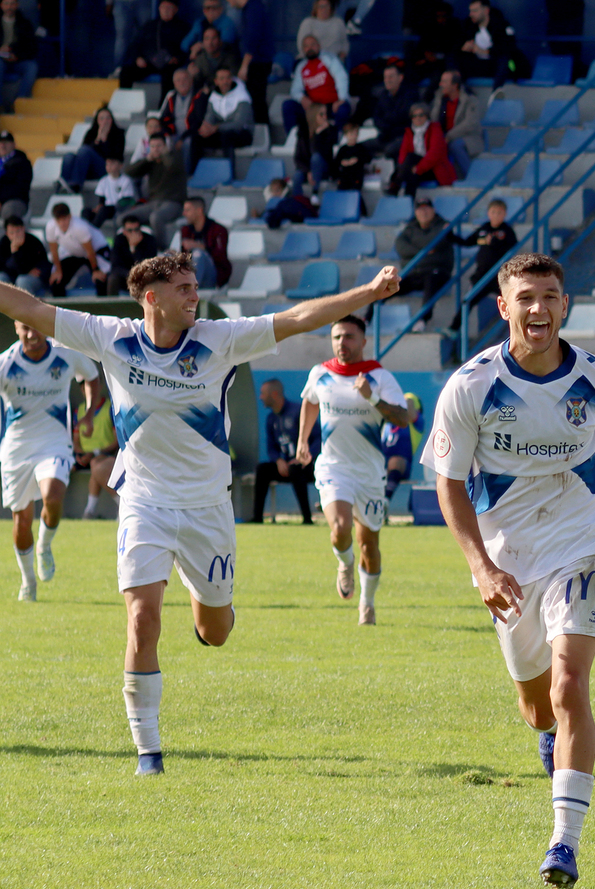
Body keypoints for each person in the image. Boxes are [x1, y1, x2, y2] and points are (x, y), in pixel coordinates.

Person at [0, 254, 400, 774]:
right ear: (152, 297)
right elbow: (29, 306)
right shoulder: (108, 336)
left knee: (215, 631)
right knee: (142, 620)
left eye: (194, 287)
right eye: (183, 289)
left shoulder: (221, 339)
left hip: (208, 507)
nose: (193, 296)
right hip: (143, 501)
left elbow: (301, 318)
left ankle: (207, 602)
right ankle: (149, 752)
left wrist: (367, 291)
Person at [423, 253, 595, 889]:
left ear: (566, 305)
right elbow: (448, 483)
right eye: (526, 299)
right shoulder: (471, 386)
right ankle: (546, 733)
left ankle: (564, 842)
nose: (539, 310)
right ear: (503, 307)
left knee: (570, 685)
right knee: (537, 704)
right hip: (507, 553)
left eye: (551, 298)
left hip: (583, 534)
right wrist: (480, 566)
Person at [294, 315, 416, 624]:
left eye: (348, 337)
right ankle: (344, 564)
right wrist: (303, 440)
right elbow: (310, 402)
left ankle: (367, 602)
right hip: (334, 466)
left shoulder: (379, 377)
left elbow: (402, 418)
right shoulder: (320, 373)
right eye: (336, 337)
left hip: (369, 472)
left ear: (363, 342)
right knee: (340, 528)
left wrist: (372, 398)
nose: (341, 343)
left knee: (369, 545)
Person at [0, 321, 99, 600]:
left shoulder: (65, 355)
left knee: (53, 497)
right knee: (21, 520)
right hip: (16, 448)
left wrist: (89, 414)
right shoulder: (6, 363)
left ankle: (44, 545)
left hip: (54, 442)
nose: (31, 334)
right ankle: (28, 582)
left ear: (44, 327)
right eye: (24, 329)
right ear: (16, 330)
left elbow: (91, 377)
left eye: (36, 328)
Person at [254, 377, 318, 523]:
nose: (260, 397)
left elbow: (318, 439)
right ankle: (257, 518)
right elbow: (271, 446)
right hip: (286, 467)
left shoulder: (298, 412)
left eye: (263, 393)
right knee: (262, 470)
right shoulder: (271, 418)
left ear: (274, 394)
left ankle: (307, 519)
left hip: (307, 467)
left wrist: (306, 457)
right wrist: (278, 460)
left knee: (296, 469)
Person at [394, 196, 452, 324]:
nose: (424, 212)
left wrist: (415, 248)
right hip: (415, 273)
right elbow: (400, 245)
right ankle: (367, 319)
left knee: (431, 279)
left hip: (438, 272)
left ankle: (422, 320)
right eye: (420, 210)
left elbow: (436, 242)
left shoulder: (444, 225)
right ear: (415, 213)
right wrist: (422, 252)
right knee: (387, 286)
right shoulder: (411, 227)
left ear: (433, 210)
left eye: (427, 209)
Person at [452, 197, 516, 311]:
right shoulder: (484, 228)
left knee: (511, 303)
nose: (496, 215)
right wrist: (450, 236)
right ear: (488, 213)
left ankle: (519, 326)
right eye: (493, 212)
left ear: (505, 214)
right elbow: (468, 242)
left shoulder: (507, 231)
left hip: (499, 274)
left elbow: (512, 247)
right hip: (481, 274)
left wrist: (495, 243)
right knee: (468, 301)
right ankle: (454, 327)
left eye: (499, 213)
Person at [124, 134, 189, 240]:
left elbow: (171, 166)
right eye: (153, 146)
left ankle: (160, 249)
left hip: (174, 203)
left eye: (159, 146)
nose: (156, 149)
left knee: (155, 218)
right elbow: (129, 172)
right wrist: (146, 160)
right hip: (153, 203)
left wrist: (164, 154)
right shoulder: (151, 161)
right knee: (124, 218)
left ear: (165, 146)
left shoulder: (175, 156)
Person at [283, 34, 350, 136]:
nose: (310, 48)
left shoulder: (329, 59)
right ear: (303, 50)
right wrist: (302, 98)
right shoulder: (301, 67)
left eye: (313, 45)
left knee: (343, 109)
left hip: (331, 105)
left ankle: (338, 138)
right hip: (313, 108)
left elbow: (342, 78)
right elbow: (295, 90)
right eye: (306, 46)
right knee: (288, 106)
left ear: (318, 46)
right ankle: (293, 139)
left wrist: (341, 99)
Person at [190, 66, 254, 173]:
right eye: (221, 78)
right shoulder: (214, 96)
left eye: (228, 78)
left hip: (242, 134)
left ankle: (228, 173)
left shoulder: (242, 97)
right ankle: (194, 173)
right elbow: (209, 117)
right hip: (220, 131)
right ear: (216, 81)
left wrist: (215, 128)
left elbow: (238, 124)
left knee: (227, 137)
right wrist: (206, 128)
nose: (225, 81)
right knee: (197, 138)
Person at [75, 376, 121, 519]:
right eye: (83, 387)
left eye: (89, 386)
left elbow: (116, 441)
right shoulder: (79, 411)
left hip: (106, 456)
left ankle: (90, 512)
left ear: (98, 387)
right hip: (85, 458)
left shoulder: (110, 409)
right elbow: (76, 442)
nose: (86, 390)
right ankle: (91, 511)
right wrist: (81, 454)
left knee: (96, 465)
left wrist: (95, 453)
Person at [120, 0, 191, 87]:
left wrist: (177, 58)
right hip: (149, 63)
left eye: (169, 8)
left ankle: (165, 101)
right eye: (163, 7)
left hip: (170, 64)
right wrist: (138, 58)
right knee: (126, 72)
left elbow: (187, 48)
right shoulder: (150, 25)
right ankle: (125, 100)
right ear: (159, 9)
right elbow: (135, 44)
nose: (165, 10)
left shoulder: (183, 27)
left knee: (169, 75)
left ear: (175, 10)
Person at [45, 202, 108, 297]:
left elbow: (90, 251)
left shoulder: (80, 227)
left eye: (65, 219)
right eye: (59, 220)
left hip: (96, 251)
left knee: (101, 280)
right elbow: (54, 251)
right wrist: (58, 270)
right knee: (56, 282)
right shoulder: (50, 227)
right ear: (55, 220)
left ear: (70, 216)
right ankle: (62, 311)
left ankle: (103, 310)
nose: (62, 223)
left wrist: (95, 270)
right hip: (73, 252)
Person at [431, 69, 484, 178]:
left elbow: (470, 124)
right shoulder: (441, 99)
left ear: (455, 85)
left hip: (467, 137)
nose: (441, 85)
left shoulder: (469, 100)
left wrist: (449, 136)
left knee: (455, 145)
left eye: (444, 82)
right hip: (445, 137)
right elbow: (434, 120)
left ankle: (471, 177)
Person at [391, 103, 455, 194]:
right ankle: (407, 203)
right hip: (415, 168)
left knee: (411, 161)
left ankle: (395, 185)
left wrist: (418, 168)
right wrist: (408, 168)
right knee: (412, 172)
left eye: (421, 115)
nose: (418, 118)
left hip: (434, 169)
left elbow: (434, 155)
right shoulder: (409, 132)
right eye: (414, 116)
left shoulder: (435, 129)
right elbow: (403, 154)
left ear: (426, 116)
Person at [63, 107, 128, 192]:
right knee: (69, 156)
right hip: (87, 168)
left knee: (85, 150)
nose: (105, 121)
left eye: (108, 118)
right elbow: (82, 154)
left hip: (106, 168)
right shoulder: (91, 133)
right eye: (102, 118)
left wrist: (104, 141)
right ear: (97, 121)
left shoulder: (118, 134)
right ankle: (64, 185)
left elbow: (116, 156)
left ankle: (76, 185)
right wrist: (97, 140)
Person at [458, 0, 524, 83]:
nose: (471, 14)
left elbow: (508, 48)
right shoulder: (467, 26)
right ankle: (463, 90)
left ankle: (497, 91)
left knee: (505, 60)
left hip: (496, 65)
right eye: (470, 11)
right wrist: (464, 47)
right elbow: (456, 44)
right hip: (477, 65)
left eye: (475, 11)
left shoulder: (501, 26)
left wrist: (484, 51)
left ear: (486, 11)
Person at [228, 0, 274, 114]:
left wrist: (244, 65)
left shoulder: (254, 8)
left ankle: (261, 130)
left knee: (257, 102)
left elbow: (253, 37)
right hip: (256, 62)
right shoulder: (250, 9)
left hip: (257, 63)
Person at [178, 196, 229, 289]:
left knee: (199, 255)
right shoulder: (186, 230)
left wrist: (200, 246)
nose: (184, 213)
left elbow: (221, 258)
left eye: (188, 210)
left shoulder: (218, 230)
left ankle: (189, 291)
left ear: (199, 210)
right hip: (189, 273)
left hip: (212, 277)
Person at [379, 391, 420, 503]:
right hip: (380, 461)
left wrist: (406, 399)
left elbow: (411, 414)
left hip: (401, 465)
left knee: (395, 461)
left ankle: (385, 500)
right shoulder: (388, 421)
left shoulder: (417, 423)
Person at [363, 62, 412, 159]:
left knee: (389, 150)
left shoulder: (409, 94)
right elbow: (376, 117)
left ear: (400, 78)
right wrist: (384, 125)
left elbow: (401, 117)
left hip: (402, 137)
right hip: (385, 136)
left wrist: (386, 122)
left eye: (390, 77)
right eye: (385, 77)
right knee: (361, 147)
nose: (387, 80)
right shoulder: (383, 95)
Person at [0, 0, 40, 113]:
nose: (9, 7)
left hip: (17, 60)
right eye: (6, 3)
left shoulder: (24, 24)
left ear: (17, 5)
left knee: (31, 67)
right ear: (1, 5)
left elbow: (31, 48)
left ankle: (18, 103)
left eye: (12, 4)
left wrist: (16, 55)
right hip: (1, 61)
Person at [105, 214, 158, 297]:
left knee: (150, 278)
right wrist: (130, 274)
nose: (133, 233)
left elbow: (147, 264)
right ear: (124, 231)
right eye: (130, 230)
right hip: (124, 276)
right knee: (113, 278)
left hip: (142, 276)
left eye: (136, 230)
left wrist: (134, 249)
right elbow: (115, 265)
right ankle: (111, 305)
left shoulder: (149, 240)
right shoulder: (119, 240)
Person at [291, 100, 337, 195]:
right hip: (307, 168)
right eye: (321, 114)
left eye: (325, 114)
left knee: (316, 158)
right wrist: (308, 171)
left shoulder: (330, 131)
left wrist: (318, 135)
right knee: (297, 176)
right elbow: (298, 157)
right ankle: (298, 201)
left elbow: (324, 154)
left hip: (323, 168)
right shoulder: (303, 132)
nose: (325, 117)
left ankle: (314, 193)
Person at [158, 67, 207, 152]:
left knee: (187, 143)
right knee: (163, 142)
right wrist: (168, 134)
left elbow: (198, 122)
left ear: (191, 81)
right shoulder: (171, 97)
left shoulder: (199, 97)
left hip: (191, 135)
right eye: (178, 80)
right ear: (174, 83)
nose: (182, 83)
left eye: (185, 79)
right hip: (174, 134)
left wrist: (183, 138)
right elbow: (164, 118)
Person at [0, 214, 47, 295]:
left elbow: (41, 265)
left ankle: (27, 307)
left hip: (33, 278)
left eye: (18, 231)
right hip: (13, 276)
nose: (15, 235)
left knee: (22, 281)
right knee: (1, 278)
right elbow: (3, 266)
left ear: (23, 229)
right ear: (7, 233)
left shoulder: (33, 242)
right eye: (12, 233)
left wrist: (15, 251)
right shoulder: (4, 243)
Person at [188, 25, 241, 90]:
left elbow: (234, 79)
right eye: (207, 38)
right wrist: (192, 76)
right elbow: (197, 83)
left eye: (214, 38)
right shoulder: (200, 59)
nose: (210, 42)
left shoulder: (230, 56)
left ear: (220, 41)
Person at [330, 118, 369, 192]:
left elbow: (367, 158)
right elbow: (336, 162)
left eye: (356, 134)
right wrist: (342, 162)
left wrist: (357, 160)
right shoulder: (343, 149)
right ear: (346, 135)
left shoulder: (360, 148)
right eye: (351, 134)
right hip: (345, 176)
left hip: (356, 176)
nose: (354, 136)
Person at [0, 131, 31, 222]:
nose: (2, 145)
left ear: (13, 145)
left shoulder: (22, 162)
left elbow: (20, 188)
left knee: (10, 210)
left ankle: (12, 235)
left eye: (6, 142)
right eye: (0, 142)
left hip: (14, 201)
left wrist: (1, 199)